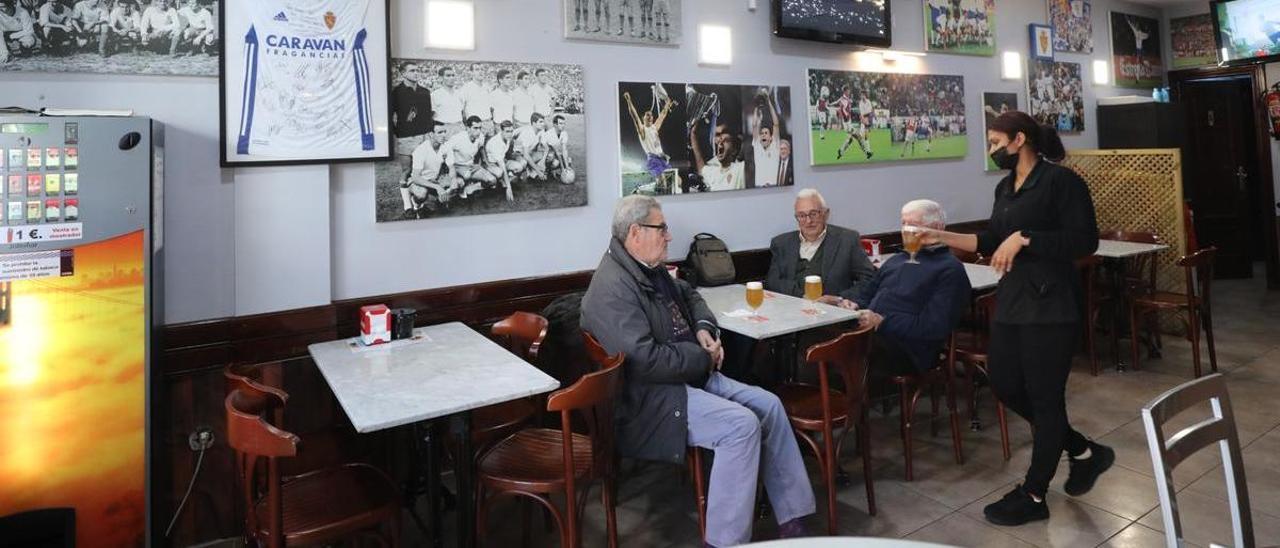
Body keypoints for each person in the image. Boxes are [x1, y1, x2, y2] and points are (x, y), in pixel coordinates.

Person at [581, 195, 815, 548]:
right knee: (741, 426)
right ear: (635, 232)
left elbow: (690, 294)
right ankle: (723, 541)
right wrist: (703, 358)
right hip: (651, 400)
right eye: (662, 228)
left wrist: (705, 327)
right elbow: (646, 361)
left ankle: (794, 519)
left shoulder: (646, 267)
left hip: (688, 378)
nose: (669, 236)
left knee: (769, 405)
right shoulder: (612, 290)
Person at [922, 110, 1113, 526]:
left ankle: (1034, 493)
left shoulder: (1062, 181)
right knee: (1005, 385)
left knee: (1045, 399)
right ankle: (1083, 450)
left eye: (995, 142)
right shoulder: (1005, 187)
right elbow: (988, 241)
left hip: (1051, 306)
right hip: (1012, 303)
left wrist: (1026, 238)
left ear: (1019, 139)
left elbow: (1085, 240)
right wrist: (939, 236)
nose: (991, 150)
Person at [852, 200, 970, 376]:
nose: (906, 231)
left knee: (844, 352)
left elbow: (933, 327)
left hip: (910, 348)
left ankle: (841, 400)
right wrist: (845, 303)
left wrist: (882, 322)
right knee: (821, 337)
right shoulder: (896, 260)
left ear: (937, 227)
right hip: (873, 333)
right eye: (903, 224)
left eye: (913, 225)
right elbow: (866, 295)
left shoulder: (950, 269)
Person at [765, 188, 876, 305]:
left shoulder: (847, 240)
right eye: (802, 215)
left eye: (813, 214)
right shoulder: (782, 243)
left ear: (826, 214)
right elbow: (773, 282)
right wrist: (800, 296)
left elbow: (869, 279)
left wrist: (839, 299)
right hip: (793, 311)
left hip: (835, 313)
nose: (808, 221)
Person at [623, 88, 676, 190]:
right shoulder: (642, 130)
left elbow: (663, 114)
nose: (650, 116)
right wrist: (628, 101)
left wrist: (668, 103)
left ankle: (642, 188)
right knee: (663, 185)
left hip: (662, 158)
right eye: (647, 115)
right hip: (653, 159)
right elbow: (634, 115)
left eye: (651, 115)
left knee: (677, 181)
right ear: (643, 118)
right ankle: (641, 189)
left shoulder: (655, 127)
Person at [400, 121, 451, 217]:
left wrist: (449, 183)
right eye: (440, 132)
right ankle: (416, 205)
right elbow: (415, 177)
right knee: (421, 194)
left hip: (433, 179)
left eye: (445, 132)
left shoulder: (445, 146)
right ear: (431, 134)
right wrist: (437, 187)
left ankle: (439, 202)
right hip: (418, 181)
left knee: (453, 184)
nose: (444, 135)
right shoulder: (421, 150)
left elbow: (449, 167)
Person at [443, 115, 498, 199]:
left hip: (470, 166)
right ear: (468, 128)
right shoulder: (458, 138)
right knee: (466, 176)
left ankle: (469, 188)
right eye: (475, 128)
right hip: (457, 166)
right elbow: (444, 149)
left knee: (492, 180)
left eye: (480, 128)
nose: (478, 131)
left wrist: (483, 162)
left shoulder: (481, 137)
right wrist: (450, 167)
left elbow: (481, 148)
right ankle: (459, 184)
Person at [690, 118, 744, 192]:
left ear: (734, 150)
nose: (720, 143)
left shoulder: (740, 169)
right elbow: (701, 167)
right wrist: (693, 134)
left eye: (725, 141)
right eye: (719, 140)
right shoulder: (714, 172)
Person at [392, 66, 433, 139]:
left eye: (417, 71)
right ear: (403, 74)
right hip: (406, 136)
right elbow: (390, 116)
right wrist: (396, 133)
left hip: (426, 135)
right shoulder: (396, 92)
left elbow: (429, 114)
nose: (416, 73)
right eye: (412, 71)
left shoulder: (425, 92)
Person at [751, 90, 781, 188]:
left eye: (766, 133)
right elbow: (755, 126)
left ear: (771, 137)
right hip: (759, 187)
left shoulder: (775, 146)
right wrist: (756, 106)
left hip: (774, 186)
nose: (763, 135)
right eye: (762, 133)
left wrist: (768, 102)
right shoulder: (757, 146)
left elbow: (776, 124)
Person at [461, 62, 494, 133]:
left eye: (482, 69)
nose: (480, 72)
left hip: (488, 123)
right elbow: (462, 110)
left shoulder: (487, 87)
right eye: (477, 69)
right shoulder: (466, 88)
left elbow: (491, 108)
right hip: (475, 125)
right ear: (471, 73)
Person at [431, 65, 465, 132]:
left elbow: (462, 113)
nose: (451, 78)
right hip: (443, 128)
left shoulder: (460, 93)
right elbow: (431, 116)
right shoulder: (435, 95)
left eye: (453, 75)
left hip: (459, 127)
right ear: (441, 78)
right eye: (448, 76)